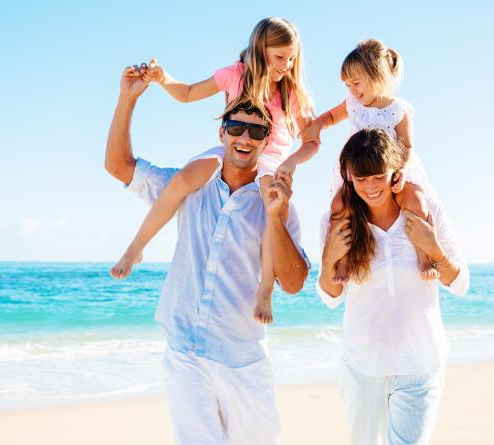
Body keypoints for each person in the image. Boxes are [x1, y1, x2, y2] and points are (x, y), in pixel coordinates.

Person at [105, 64, 310, 445]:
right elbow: (118, 166)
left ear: (267, 141)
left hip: (243, 361)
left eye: (256, 131)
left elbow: (295, 283)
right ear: (222, 133)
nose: (244, 137)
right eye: (236, 128)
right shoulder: (190, 183)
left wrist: (276, 215)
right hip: (185, 351)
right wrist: (127, 99)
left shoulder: (275, 199)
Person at [110, 17, 317, 324]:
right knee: (182, 179)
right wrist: (163, 78)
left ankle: (264, 291)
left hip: (270, 160)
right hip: (230, 151)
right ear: (261, 50)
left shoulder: (290, 93)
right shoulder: (236, 74)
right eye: (280, 57)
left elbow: (312, 141)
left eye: (291, 58)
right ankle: (135, 248)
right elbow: (189, 93)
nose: (286, 64)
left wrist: (291, 162)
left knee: (273, 213)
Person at [316, 128, 470, 445]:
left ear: (395, 173)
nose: (370, 187)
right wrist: (329, 258)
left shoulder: (428, 211)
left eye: (378, 177)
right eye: (361, 179)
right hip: (362, 369)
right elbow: (331, 297)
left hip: (420, 365)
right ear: (348, 177)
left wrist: (434, 248)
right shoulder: (338, 222)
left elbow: (460, 283)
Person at [285, 38, 437, 284]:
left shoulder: (398, 109)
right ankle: (342, 261)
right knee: (339, 207)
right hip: (357, 172)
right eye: (347, 85)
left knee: (415, 202)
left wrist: (403, 171)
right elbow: (332, 116)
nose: (352, 90)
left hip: (390, 171)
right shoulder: (353, 103)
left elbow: (407, 145)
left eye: (356, 83)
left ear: (377, 75)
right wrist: (318, 126)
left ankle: (424, 257)